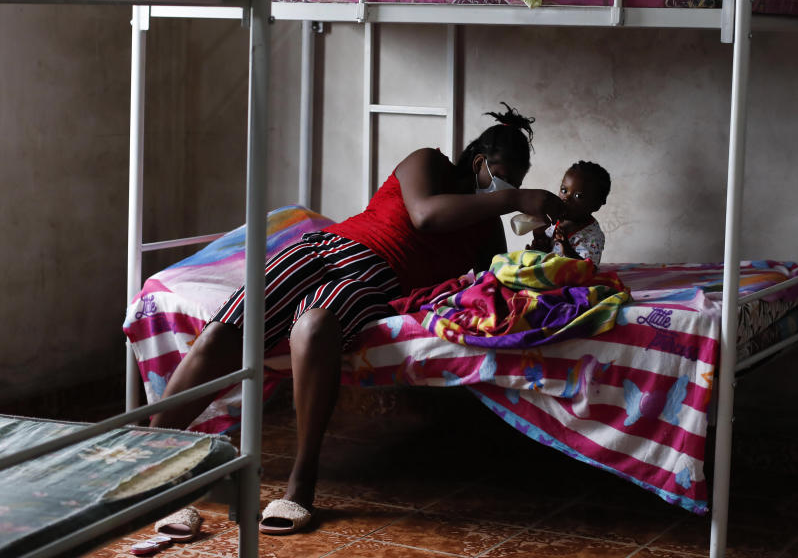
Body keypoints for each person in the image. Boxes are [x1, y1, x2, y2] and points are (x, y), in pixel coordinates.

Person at [149, 103, 564, 534]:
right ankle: (150, 469)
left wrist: (544, 245)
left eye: (515, 181)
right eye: (504, 176)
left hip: (377, 281)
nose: (509, 187)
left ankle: (301, 483)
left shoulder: (485, 226)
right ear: (479, 163)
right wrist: (514, 197)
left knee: (315, 328)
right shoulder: (429, 163)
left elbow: (496, 276)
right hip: (324, 249)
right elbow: (424, 214)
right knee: (221, 333)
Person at [528, 160, 610, 263]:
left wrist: (567, 249)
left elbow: (589, 269)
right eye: (564, 190)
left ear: (596, 205)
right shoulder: (553, 221)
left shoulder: (593, 236)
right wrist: (538, 239)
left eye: (578, 196)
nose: (566, 198)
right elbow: (546, 254)